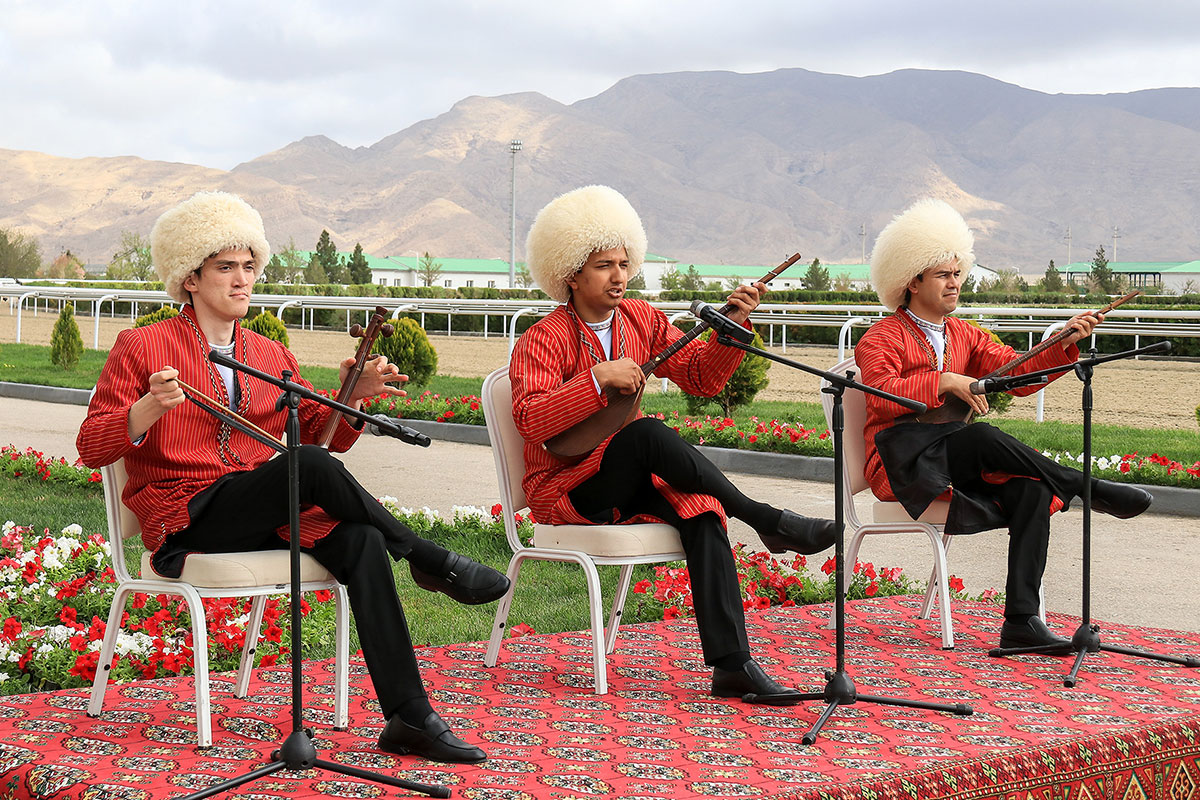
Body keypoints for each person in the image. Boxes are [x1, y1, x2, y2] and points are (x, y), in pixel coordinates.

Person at [77, 191, 508, 763]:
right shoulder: (142, 345)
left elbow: (324, 443)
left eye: (249, 265)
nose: (242, 280)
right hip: (186, 514)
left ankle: (409, 716)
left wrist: (353, 396)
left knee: (362, 539)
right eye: (225, 267)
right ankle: (427, 556)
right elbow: (91, 445)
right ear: (189, 277)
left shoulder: (269, 353)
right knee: (309, 467)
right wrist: (147, 409)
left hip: (261, 512)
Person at [508, 185, 838, 701]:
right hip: (567, 488)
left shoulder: (641, 319)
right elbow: (530, 420)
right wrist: (596, 379)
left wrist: (733, 326)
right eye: (603, 266)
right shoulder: (542, 337)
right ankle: (764, 518)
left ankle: (733, 666)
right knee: (645, 432)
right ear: (570, 273)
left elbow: (702, 378)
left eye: (624, 263)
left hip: (627, 474)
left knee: (702, 511)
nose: (619, 276)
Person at [855, 198, 1153, 650]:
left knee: (1033, 491)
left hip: (951, 460)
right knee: (978, 434)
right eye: (943, 274)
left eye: (958, 273)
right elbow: (881, 392)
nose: (955, 283)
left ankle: (1021, 623)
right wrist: (946, 380)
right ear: (912, 281)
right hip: (901, 463)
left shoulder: (964, 333)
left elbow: (1016, 375)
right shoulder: (881, 336)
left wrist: (1061, 342)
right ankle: (1087, 486)